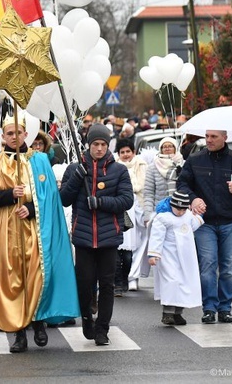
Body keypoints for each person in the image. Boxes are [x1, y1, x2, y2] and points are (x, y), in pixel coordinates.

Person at [0, 115, 79, 353]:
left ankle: (38, 322)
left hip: (37, 228)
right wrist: (9, 195)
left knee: (37, 275)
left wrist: (30, 207)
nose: (14, 137)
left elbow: (50, 196)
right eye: (9, 134)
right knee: (14, 278)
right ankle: (18, 332)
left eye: (18, 133)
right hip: (7, 227)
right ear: (3, 136)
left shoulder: (39, 160)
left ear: (25, 135)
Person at [60, 124, 133, 346]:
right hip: (83, 236)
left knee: (107, 284)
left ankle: (102, 329)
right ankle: (86, 318)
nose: (99, 149)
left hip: (109, 236)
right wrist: (76, 178)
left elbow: (127, 200)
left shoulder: (119, 170)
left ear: (108, 145)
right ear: (88, 145)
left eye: (103, 144)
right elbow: (63, 199)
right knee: (84, 283)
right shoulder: (75, 168)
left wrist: (101, 202)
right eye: (95, 144)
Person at [176, 130, 232, 324]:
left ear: (225, 137)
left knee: (228, 267)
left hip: (230, 220)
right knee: (208, 266)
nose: (209, 140)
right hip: (205, 222)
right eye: (207, 136)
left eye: (214, 137)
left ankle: (225, 308)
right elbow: (182, 185)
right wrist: (193, 200)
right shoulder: (195, 159)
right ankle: (209, 308)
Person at [147, 191, 203, 325]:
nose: (181, 212)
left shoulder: (187, 215)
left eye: (184, 209)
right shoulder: (163, 218)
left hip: (185, 256)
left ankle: (178, 312)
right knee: (171, 281)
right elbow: (156, 236)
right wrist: (153, 254)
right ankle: (168, 312)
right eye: (178, 209)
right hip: (168, 256)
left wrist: (199, 214)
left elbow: (193, 225)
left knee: (184, 282)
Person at [114, 137, 148, 294]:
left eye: (128, 151)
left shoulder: (142, 165)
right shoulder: (114, 167)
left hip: (138, 208)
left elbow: (144, 188)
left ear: (133, 152)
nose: (126, 155)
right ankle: (119, 280)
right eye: (122, 152)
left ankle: (132, 277)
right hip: (120, 207)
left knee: (137, 245)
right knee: (119, 248)